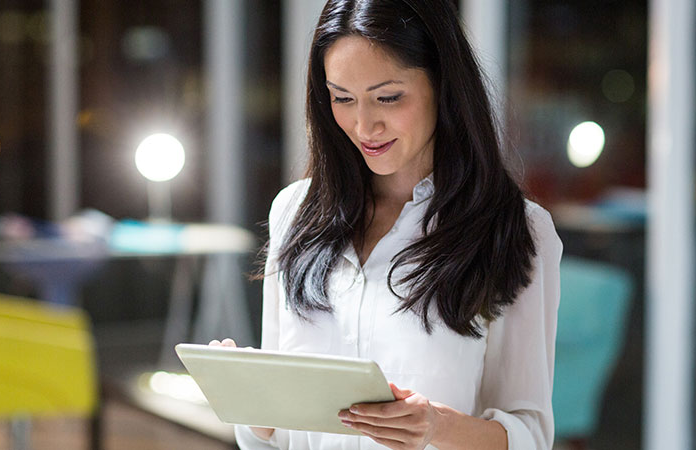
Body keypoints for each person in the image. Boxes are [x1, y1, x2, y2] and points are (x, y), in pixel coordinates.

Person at [214, 0, 563, 448]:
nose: (364, 125)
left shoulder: (516, 230)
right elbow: (273, 439)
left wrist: (436, 426)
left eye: (388, 97)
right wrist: (254, 405)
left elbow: (530, 436)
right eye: (342, 98)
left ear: (444, 84)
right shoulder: (294, 212)